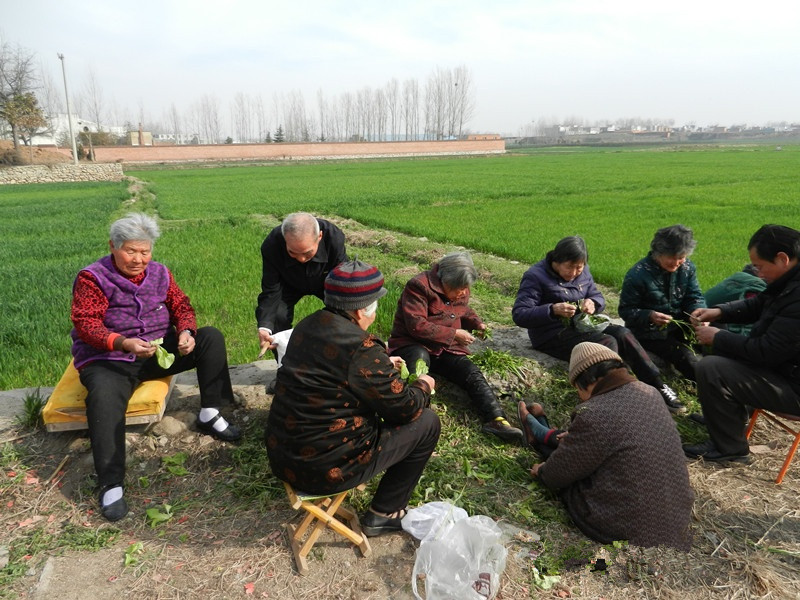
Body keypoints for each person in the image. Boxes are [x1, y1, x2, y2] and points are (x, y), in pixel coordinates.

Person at [70, 213, 241, 522]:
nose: (138, 259)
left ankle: (210, 412)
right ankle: (111, 483)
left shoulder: (160, 273)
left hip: (155, 351)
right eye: (130, 251)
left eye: (144, 251)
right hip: (109, 360)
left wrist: (187, 332)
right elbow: (86, 325)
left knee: (210, 338)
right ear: (113, 246)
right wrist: (123, 342)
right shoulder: (92, 277)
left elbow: (182, 306)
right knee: (104, 399)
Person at [265, 259, 440, 537]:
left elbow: (336, 373)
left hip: (283, 455)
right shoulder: (363, 347)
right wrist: (423, 385)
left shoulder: (308, 324)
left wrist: (381, 365)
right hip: (323, 470)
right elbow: (405, 410)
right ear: (361, 310)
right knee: (428, 422)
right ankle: (385, 512)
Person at [523, 342, 694, 551]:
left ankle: (536, 429)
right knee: (576, 445)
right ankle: (542, 430)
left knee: (570, 467)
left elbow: (556, 476)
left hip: (627, 529)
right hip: (676, 523)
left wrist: (541, 471)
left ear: (585, 381)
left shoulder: (595, 412)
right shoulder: (651, 393)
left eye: (577, 388)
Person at [512, 236, 685, 412]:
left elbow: (597, 296)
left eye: (578, 268)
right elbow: (520, 314)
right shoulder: (535, 276)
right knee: (606, 342)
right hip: (552, 334)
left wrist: (593, 303)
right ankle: (614, 396)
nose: (574, 273)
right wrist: (552, 310)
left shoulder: (583, 271)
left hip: (583, 326)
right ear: (557, 260)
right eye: (569, 267)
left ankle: (657, 384)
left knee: (623, 334)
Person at [684, 224, 800, 463]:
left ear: (782, 259)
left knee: (712, 367)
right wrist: (718, 312)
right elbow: (759, 304)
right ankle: (724, 419)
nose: (757, 273)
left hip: (794, 386)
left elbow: (766, 352)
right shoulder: (789, 281)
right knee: (731, 350)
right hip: (785, 369)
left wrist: (717, 336)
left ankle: (730, 449)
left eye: (760, 266)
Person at [388, 252, 523, 442]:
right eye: (459, 289)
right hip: (412, 343)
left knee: (470, 371)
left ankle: (496, 419)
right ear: (445, 282)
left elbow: (464, 311)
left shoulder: (460, 288)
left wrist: (477, 324)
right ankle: (414, 417)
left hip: (444, 348)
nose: (463, 293)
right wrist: (454, 334)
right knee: (419, 362)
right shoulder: (418, 286)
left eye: (465, 289)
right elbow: (417, 325)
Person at [618, 225, 706, 381]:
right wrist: (649, 315)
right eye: (672, 257)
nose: (677, 262)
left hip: (680, 326)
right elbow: (626, 311)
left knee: (716, 337)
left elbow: (694, 296)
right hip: (651, 334)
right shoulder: (637, 275)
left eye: (682, 257)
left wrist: (698, 312)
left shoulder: (687, 268)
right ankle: (708, 387)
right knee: (685, 356)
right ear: (658, 253)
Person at [255, 212, 347, 357]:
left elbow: (342, 282)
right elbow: (271, 290)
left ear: (320, 237)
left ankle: (338, 359)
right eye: (293, 253)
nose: (302, 259)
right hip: (288, 283)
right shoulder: (272, 244)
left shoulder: (333, 238)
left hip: (326, 281)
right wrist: (265, 326)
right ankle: (285, 364)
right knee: (277, 317)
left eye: (307, 253)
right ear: (285, 240)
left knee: (343, 313)